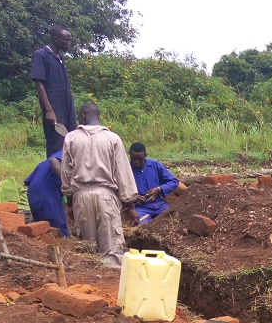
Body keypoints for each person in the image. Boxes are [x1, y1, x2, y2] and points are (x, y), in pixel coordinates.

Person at [60, 102, 138, 268]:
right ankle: (110, 288)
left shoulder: (71, 138)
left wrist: (69, 204)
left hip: (81, 197)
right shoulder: (112, 138)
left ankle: (91, 286)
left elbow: (66, 173)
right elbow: (122, 172)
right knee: (111, 248)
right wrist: (129, 204)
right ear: (98, 117)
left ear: (82, 117)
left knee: (88, 249)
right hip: (106, 196)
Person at [31, 25, 76, 157]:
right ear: (56, 39)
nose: (69, 43)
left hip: (67, 106)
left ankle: (68, 176)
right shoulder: (41, 55)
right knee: (56, 145)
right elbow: (39, 83)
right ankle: (52, 176)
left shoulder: (60, 57)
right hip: (54, 107)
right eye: (66, 40)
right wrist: (49, 110)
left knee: (71, 140)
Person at [129, 142, 180, 224]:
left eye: (139, 159)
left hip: (160, 204)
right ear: (129, 154)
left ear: (145, 155)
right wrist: (132, 197)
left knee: (175, 221)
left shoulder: (154, 164)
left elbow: (174, 181)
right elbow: (118, 189)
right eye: (133, 158)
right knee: (144, 227)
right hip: (140, 208)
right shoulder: (126, 169)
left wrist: (159, 189)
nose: (136, 161)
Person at [24, 151, 70, 237]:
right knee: (59, 233)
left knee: (42, 232)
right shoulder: (69, 150)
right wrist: (67, 183)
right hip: (47, 194)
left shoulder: (44, 164)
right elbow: (54, 160)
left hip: (33, 193)